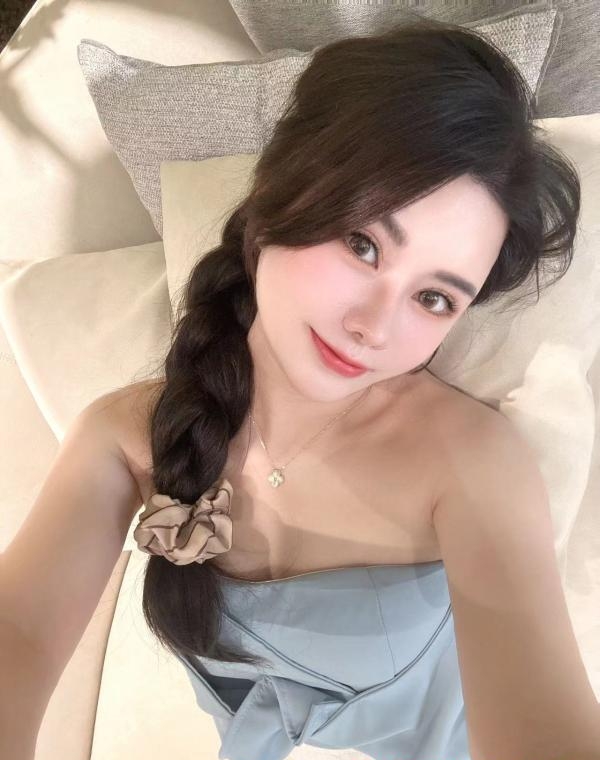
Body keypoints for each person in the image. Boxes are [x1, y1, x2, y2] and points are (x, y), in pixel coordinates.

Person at [127, 13, 588, 760]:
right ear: (279, 192)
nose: (374, 327)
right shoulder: (131, 431)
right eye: (362, 243)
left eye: (433, 298)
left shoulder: (471, 463)